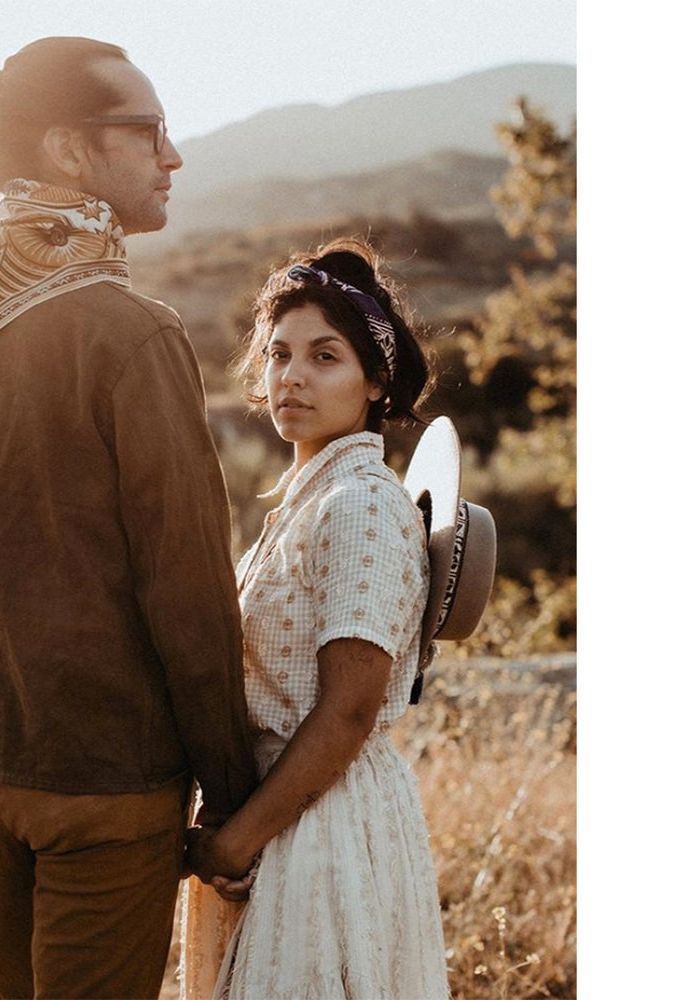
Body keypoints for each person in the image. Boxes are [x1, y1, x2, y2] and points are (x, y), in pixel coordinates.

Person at [0, 37, 257, 1000]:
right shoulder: (132, 333)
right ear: (69, 149)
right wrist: (234, 793)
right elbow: (188, 594)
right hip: (106, 777)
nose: (172, 156)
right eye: (148, 130)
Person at [181, 237, 450, 999]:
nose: (291, 376)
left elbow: (348, 709)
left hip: (324, 826)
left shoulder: (359, 503)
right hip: (284, 812)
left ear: (376, 382)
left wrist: (234, 842)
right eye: (279, 354)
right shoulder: (309, 502)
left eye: (324, 357)